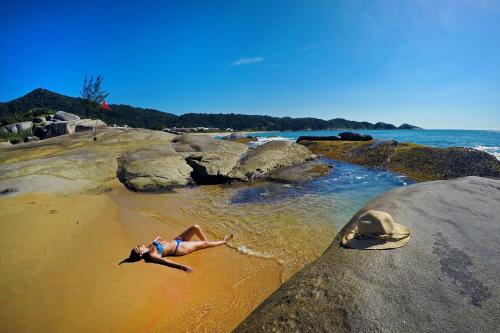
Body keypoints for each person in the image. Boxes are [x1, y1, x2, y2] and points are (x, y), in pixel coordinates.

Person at [119, 224, 233, 273]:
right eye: (139, 248)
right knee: (204, 244)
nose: (140, 245)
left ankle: (207, 241)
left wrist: (156, 239)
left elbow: (152, 243)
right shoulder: (152, 256)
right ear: (141, 254)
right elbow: (167, 262)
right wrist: (182, 267)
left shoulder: (147, 249)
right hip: (180, 248)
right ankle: (224, 241)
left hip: (177, 240)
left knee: (195, 227)